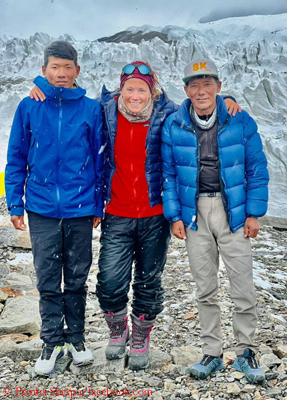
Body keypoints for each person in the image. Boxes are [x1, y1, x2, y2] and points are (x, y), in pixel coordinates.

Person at [30, 60, 240, 371]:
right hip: (116, 211)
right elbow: (69, 97)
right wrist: (42, 85)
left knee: (148, 280)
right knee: (110, 281)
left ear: (152, 90)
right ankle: (118, 331)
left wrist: (228, 98)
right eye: (130, 88)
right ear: (121, 89)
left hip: (155, 213)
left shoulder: (168, 112)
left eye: (142, 89)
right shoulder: (107, 109)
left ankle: (141, 337)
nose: (135, 95)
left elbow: (202, 104)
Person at [161, 58, 269, 383]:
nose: (201, 90)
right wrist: (174, 216)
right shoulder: (174, 125)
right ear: (186, 90)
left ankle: (246, 352)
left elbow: (257, 168)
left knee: (243, 287)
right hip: (194, 215)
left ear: (219, 88)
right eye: (194, 84)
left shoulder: (240, 120)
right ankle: (211, 353)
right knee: (205, 288)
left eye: (207, 83)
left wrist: (253, 213)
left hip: (232, 212)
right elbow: (167, 174)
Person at [5, 41, 104, 375]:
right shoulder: (29, 106)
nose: (61, 74)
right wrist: (14, 202)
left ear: (77, 70)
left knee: (76, 276)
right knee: (48, 276)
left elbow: (100, 159)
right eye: (55, 68)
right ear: (44, 68)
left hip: (79, 205)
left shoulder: (91, 109)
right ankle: (51, 341)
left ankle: (76, 338)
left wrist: (98, 204)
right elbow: (16, 157)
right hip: (42, 206)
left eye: (67, 67)